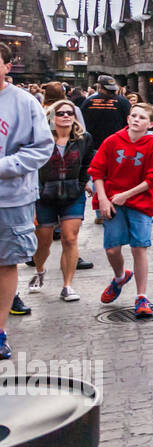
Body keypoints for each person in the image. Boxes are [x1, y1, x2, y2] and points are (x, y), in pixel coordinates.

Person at [88, 102, 153, 319]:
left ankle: (142, 296)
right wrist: (103, 199)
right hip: (112, 200)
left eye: (142, 118)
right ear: (127, 118)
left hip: (140, 202)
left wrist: (127, 194)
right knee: (112, 248)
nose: (136, 120)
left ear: (152, 123)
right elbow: (97, 171)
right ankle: (120, 277)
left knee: (139, 247)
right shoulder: (112, 141)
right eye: (134, 115)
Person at [0, 44, 54, 358]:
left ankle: (1, 330)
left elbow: (40, 148)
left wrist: (5, 167)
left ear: (7, 66)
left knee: (5, 262)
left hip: (10, 198)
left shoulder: (23, 102)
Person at [29, 100, 91, 301]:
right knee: (44, 242)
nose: (66, 116)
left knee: (70, 238)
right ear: (51, 117)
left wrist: (82, 184)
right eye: (61, 113)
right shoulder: (41, 139)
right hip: (45, 197)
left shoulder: (83, 139)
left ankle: (68, 285)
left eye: (69, 113)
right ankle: (39, 270)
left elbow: (88, 164)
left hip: (73, 195)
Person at [80, 75, 130, 156]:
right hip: (116, 144)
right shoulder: (123, 102)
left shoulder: (89, 101)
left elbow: (81, 122)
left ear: (99, 87)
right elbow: (128, 122)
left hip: (93, 145)